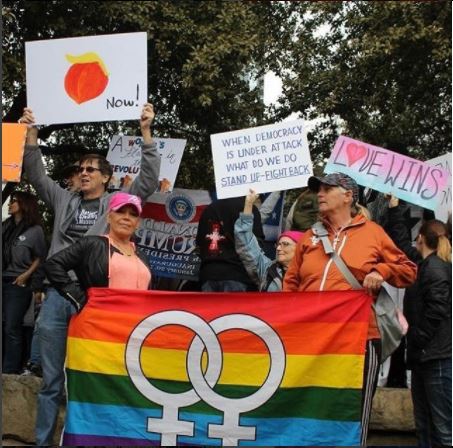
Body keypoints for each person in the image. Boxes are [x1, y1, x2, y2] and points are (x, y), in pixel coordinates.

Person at [19, 103, 160, 446]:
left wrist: (145, 133)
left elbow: (148, 181)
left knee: (93, 378)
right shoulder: (64, 200)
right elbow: (37, 175)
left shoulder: (116, 204)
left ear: (106, 177)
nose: (83, 173)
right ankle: (43, 442)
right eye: (81, 169)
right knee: (51, 380)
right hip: (57, 297)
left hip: (93, 302)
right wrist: (31, 136)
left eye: (91, 169)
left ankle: (90, 438)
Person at [283, 172, 417, 445]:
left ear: (348, 196)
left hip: (358, 339)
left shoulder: (373, 233)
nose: (319, 194)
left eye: (327, 189)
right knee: (307, 408)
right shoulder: (309, 237)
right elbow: (290, 284)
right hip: (311, 341)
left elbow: (408, 271)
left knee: (351, 412)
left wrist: (381, 270)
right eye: (318, 189)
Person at [387, 196, 451, 447]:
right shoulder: (424, 263)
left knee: (443, 429)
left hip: (436, 357)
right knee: (424, 424)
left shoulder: (435, 268)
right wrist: (394, 210)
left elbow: (437, 310)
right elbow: (401, 244)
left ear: (422, 238)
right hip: (425, 356)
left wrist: (418, 339)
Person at [44, 193, 152, 308]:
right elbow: (53, 264)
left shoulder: (143, 257)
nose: (126, 217)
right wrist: (80, 299)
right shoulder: (92, 244)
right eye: (120, 211)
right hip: (97, 320)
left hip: (133, 323)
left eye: (133, 214)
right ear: (109, 217)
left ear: (138, 223)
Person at [2, 191, 47, 373]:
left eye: (14, 201)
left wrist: (26, 275)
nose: (10, 204)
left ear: (24, 204)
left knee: (12, 327)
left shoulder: (35, 230)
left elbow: (40, 256)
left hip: (18, 283)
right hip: (2, 278)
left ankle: (10, 370)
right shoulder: (5, 226)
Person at [235, 189, 304, 291]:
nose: (279, 248)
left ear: (299, 248)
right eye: (278, 244)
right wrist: (248, 204)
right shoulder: (267, 270)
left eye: (285, 244)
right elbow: (245, 242)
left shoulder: (310, 273)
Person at [196, 196, 264, 292]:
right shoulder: (248, 209)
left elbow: (199, 243)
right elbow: (256, 244)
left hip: (209, 273)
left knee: (211, 307)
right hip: (237, 273)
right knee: (236, 307)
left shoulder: (209, 209)